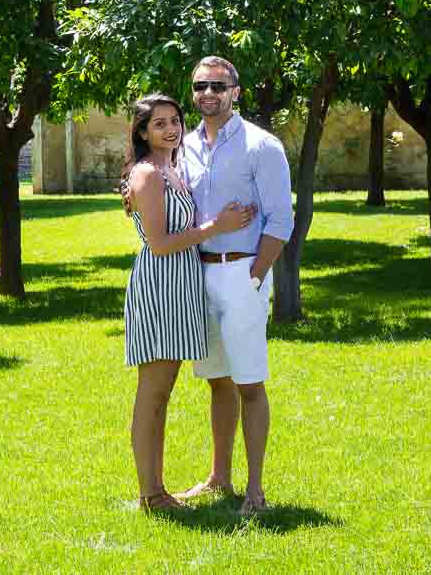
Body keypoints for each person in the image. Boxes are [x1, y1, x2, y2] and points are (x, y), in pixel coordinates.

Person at [175, 56, 294, 516]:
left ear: (236, 92)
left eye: (218, 86)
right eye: (200, 85)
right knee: (217, 382)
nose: (208, 93)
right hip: (198, 275)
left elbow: (281, 218)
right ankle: (219, 478)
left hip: (242, 272)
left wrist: (256, 273)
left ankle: (256, 491)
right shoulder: (182, 147)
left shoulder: (261, 146)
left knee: (249, 383)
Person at [123, 93, 253, 512]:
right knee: (154, 393)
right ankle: (151, 494)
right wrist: (217, 226)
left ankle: (158, 490)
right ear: (143, 132)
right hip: (161, 284)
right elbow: (159, 244)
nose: (171, 129)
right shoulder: (148, 174)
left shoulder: (173, 170)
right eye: (158, 124)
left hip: (184, 284)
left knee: (165, 392)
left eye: (174, 121)